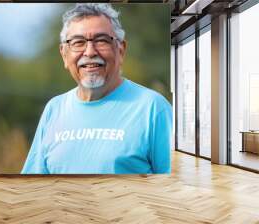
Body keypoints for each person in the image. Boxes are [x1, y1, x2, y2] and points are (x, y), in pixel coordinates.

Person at [21, 3, 172, 174]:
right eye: (78, 42)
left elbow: (179, 188)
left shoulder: (153, 108)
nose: (90, 52)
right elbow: (33, 189)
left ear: (120, 50)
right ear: (64, 54)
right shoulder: (54, 109)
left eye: (101, 41)